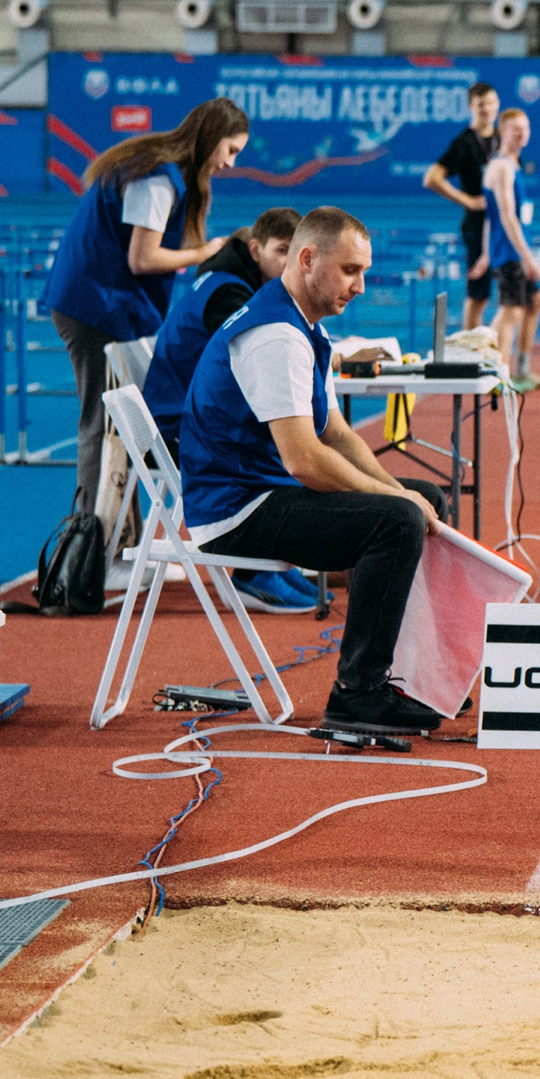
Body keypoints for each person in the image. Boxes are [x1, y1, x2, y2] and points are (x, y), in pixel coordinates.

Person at [180, 209, 448, 734]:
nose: (362, 286)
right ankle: (358, 692)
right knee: (396, 522)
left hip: (261, 489)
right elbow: (303, 459)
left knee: (425, 500)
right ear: (308, 260)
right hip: (237, 509)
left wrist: (399, 491)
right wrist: (395, 503)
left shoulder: (303, 326)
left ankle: (407, 675)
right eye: (350, 270)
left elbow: (338, 435)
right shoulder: (275, 336)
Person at [40, 96, 248, 516]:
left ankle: (118, 535)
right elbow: (143, 258)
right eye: (230, 151)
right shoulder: (156, 178)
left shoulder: (163, 173)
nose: (229, 164)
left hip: (106, 304)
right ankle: (88, 537)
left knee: (121, 427)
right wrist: (203, 252)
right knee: (102, 425)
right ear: (210, 139)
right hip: (94, 306)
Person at [134, 205, 324, 614]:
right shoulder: (228, 292)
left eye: (295, 254)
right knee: (281, 436)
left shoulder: (234, 282)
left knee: (283, 427)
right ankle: (254, 571)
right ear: (254, 250)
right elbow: (252, 366)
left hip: (187, 414)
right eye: (281, 251)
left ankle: (274, 560)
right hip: (176, 429)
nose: (288, 263)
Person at [424, 82, 501, 329]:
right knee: (478, 296)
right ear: (471, 107)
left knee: (514, 297)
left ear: (497, 104)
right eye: (480, 105)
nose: (486, 109)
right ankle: (469, 354)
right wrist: (467, 200)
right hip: (477, 226)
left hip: (503, 225)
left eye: (490, 103)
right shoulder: (464, 143)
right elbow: (431, 178)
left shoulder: (502, 138)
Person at [479, 108, 540, 390]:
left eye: (526, 129)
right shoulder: (502, 167)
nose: (522, 134)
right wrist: (527, 257)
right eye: (515, 129)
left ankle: (522, 369)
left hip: (513, 247)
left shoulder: (512, 165)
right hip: (510, 251)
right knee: (510, 311)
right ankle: (498, 373)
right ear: (502, 131)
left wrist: (484, 254)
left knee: (535, 301)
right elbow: (505, 216)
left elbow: (489, 217)